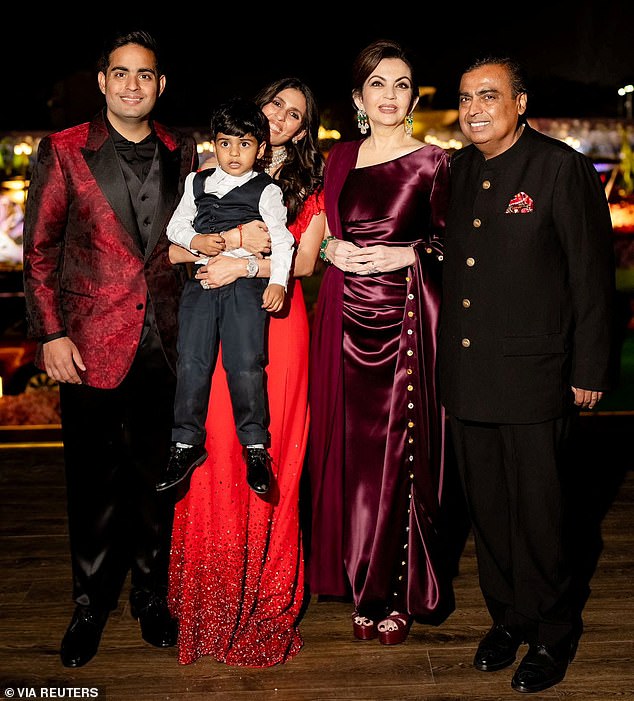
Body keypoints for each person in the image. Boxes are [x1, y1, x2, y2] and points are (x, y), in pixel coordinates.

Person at [438, 57, 616, 693]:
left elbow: (590, 277)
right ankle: (508, 618)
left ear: (519, 102)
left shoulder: (558, 167)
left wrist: (590, 367)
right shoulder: (457, 170)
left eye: (489, 96)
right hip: (468, 372)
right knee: (488, 511)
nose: (475, 108)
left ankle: (552, 630)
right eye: (466, 98)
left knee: (540, 514)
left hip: (536, 375)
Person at [22, 30, 198, 668]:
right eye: (120, 74)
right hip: (90, 344)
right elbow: (38, 252)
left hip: (169, 345)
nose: (132, 85)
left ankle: (150, 598)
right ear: (102, 82)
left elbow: (187, 243)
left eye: (145, 75)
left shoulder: (183, 150)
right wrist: (51, 333)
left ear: (160, 84)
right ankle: (90, 605)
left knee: (158, 481)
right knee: (93, 486)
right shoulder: (64, 151)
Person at [167, 76, 325, 666]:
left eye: (295, 113)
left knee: (269, 454)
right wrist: (232, 241)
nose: (282, 116)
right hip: (217, 319)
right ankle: (209, 604)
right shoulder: (210, 176)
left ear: (304, 128)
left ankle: (263, 603)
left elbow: (304, 261)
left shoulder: (309, 182)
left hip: (276, 323)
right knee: (215, 453)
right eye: (275, 104)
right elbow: (178, 251)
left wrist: (240, 267)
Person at [307, 39, 454, 646]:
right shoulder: (337, 158)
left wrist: (408, 252)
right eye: (378, 84)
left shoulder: (437, 162)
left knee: (398, 458)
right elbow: (313, 235)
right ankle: (354, 573)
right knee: (352, 459)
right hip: (343, 323)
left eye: (401, 84)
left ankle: (391, 591)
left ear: (413, 96)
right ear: (358, 98)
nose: (390, 95)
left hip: (405, 329)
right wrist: (329, 252)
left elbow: (455, 250)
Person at [157, 97, 294, 496]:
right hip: (201, 284)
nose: (234, 153)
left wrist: (277, 283)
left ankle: (254, 446)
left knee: (245, 364)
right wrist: (196, 239)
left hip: (245, 288)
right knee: (192, 362)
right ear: (213, 144)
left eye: (245, 144)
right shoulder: (196, 181)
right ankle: (185, 443)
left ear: (261, 148)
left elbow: (282, 242)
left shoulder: (266, 190)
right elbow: (175, 228)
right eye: (225, 143)